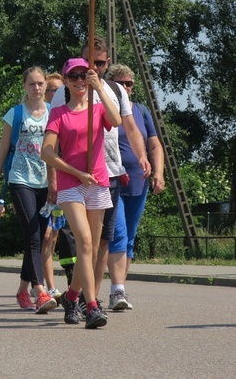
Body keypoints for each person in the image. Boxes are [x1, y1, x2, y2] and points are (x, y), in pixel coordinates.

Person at [50, 37, 151, 305]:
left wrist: (141, 155)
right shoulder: (65, 92)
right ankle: (88, 300)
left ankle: (83, 294)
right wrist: (53, 181)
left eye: (98, 63)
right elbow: (53, 140)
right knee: (84, 242)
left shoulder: (114, 91)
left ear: (106, 63)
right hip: (74, 177)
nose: (91, 69)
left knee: (100, 243)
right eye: (87, 63)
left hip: (109, 172)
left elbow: (124, 124)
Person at [41, 58, 122, 329]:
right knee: (84, 242)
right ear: (65, 81)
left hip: (98, 181)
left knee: (92, 249)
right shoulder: (59, 113)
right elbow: (47, 152)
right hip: (71, 184)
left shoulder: (97, 109)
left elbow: (116, 120)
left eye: (83, 75)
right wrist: (76, 173)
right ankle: (92, 306)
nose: (78, 81)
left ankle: (72, 296)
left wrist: (98, 87)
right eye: (73, 76)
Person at [0, 66, 57, 314]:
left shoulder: (54, 113)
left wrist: (56, 182)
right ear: (24, 87)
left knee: (40, 238)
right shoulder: (15, 114)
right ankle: (39, 292)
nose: (37, 88)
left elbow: (57, 152)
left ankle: (21, 289)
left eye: (41, 83)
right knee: (32, 234)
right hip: (20, 179)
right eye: (32, 84)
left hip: (46, 181)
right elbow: (1, 151)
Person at [105, 64, 165, 310]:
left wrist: (158, 173)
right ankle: (116, 289)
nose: (127, 87)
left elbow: (154, 145)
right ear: (111, 85)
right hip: (113, 181)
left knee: (129, 238)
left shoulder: (141, 111)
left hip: (139, 183)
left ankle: (120, 290)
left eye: (129, 83)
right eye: (121, 83)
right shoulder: (106, 109)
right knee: (117, 234)